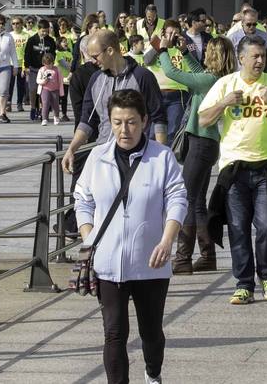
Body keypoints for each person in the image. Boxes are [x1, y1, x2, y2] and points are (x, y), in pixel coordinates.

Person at [74, 89, 187, 384]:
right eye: (118, 122)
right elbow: (82, 199)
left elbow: (178, 198)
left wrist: (167, 239)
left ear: (145, 121)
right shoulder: (98, 156)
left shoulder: (161, 157)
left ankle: (153, 373)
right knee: (113, 332)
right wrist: (89, 238)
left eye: (132, 122)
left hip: (150, 261)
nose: (125, 130)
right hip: (108, 263)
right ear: (110, 122)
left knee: (151, 332)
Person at [199, 38, 267, 304]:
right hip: (234, 169)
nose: (259, 61)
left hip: (266, 167)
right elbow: (203, 119)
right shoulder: (226, 85)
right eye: (254, 56)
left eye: (263, 56)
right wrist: (224, 103)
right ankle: (244, 283)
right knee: (237, 227)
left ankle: (266, 275)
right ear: (240, 58)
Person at [156, 31, 233, 274]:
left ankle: (182, 259)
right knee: (197, 201)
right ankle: (207, 255)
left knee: (186, 198)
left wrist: (163, 50)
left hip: (200, 143)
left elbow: (172, 73)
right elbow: (197, 72)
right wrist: (185, 52)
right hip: (208, 144)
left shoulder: (209, 81)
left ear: (214, 55)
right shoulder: (218, 78)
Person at [62, 30, 167, 174]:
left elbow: (159, 117)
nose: (92, 61)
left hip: (138, 156)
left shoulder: (143, 76)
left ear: (110, 50)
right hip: (104, 154)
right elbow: (87, 120)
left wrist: (161, 156)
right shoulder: (95, 79)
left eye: (95, 56)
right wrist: (71, 149)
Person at [145, 19, 193, 151]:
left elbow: (190, 72)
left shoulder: (182, 49)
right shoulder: (157, 45)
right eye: (169, 33)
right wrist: (160, 46)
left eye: (175, 34)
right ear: (163, 33)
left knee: (172, 131)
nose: (172, 37)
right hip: (157, 93)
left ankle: (167, 160)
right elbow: (147, 60)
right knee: (153, 132)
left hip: (177, 95)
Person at [10, 17, 32, 112]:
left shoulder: (26, 36)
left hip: (22, 64)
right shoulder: (9, 35)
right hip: (10, 64)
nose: (16, 25)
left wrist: (26, 65)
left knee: (21, 85)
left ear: (22, 24)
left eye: (18, 23)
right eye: (13, 24)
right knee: (9, 85)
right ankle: (8, 103)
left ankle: (19, 103)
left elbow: (29, 52)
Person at [36, 51, 65, 125]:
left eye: (50, 64)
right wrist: (44, 81)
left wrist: (61, 90)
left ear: (53, 62)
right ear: (44, 63)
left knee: (55, 104)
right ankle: (44, 118)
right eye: (46, 64)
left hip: (55, 89)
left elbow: (60, 80)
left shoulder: (57, 69)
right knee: (45, 104)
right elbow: (38, 80)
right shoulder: (42, 70)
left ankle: (56, 117)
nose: (48, 66)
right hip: (45, 89)